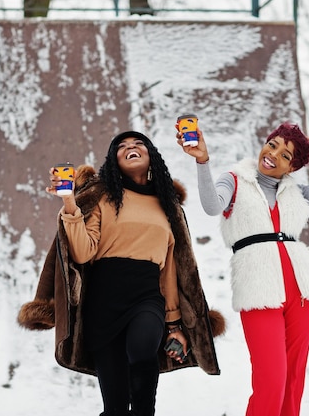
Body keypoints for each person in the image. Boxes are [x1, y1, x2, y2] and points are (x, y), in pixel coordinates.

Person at [18, 131, 226, 416]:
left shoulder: (167, 206)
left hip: (147, 296)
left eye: (139, 143)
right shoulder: (102, 198)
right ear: (113, 161)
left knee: (142, 349)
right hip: (103, 304)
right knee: (114, 407)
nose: (131, 147)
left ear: (151, 155)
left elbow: (171, 269)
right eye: (123, 146)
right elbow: (82, 252)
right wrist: (69, 202)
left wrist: (175, 325)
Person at [178, 122, 309, 416]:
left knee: (293, 379)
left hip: (301, 290)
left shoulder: (297, 191)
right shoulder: (235, 180)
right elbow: (212, 206)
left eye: (286, 155)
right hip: (257, 288)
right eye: (273, 144)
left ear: (291, 168)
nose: (273, 154)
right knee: (271, 380)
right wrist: (202, 161)